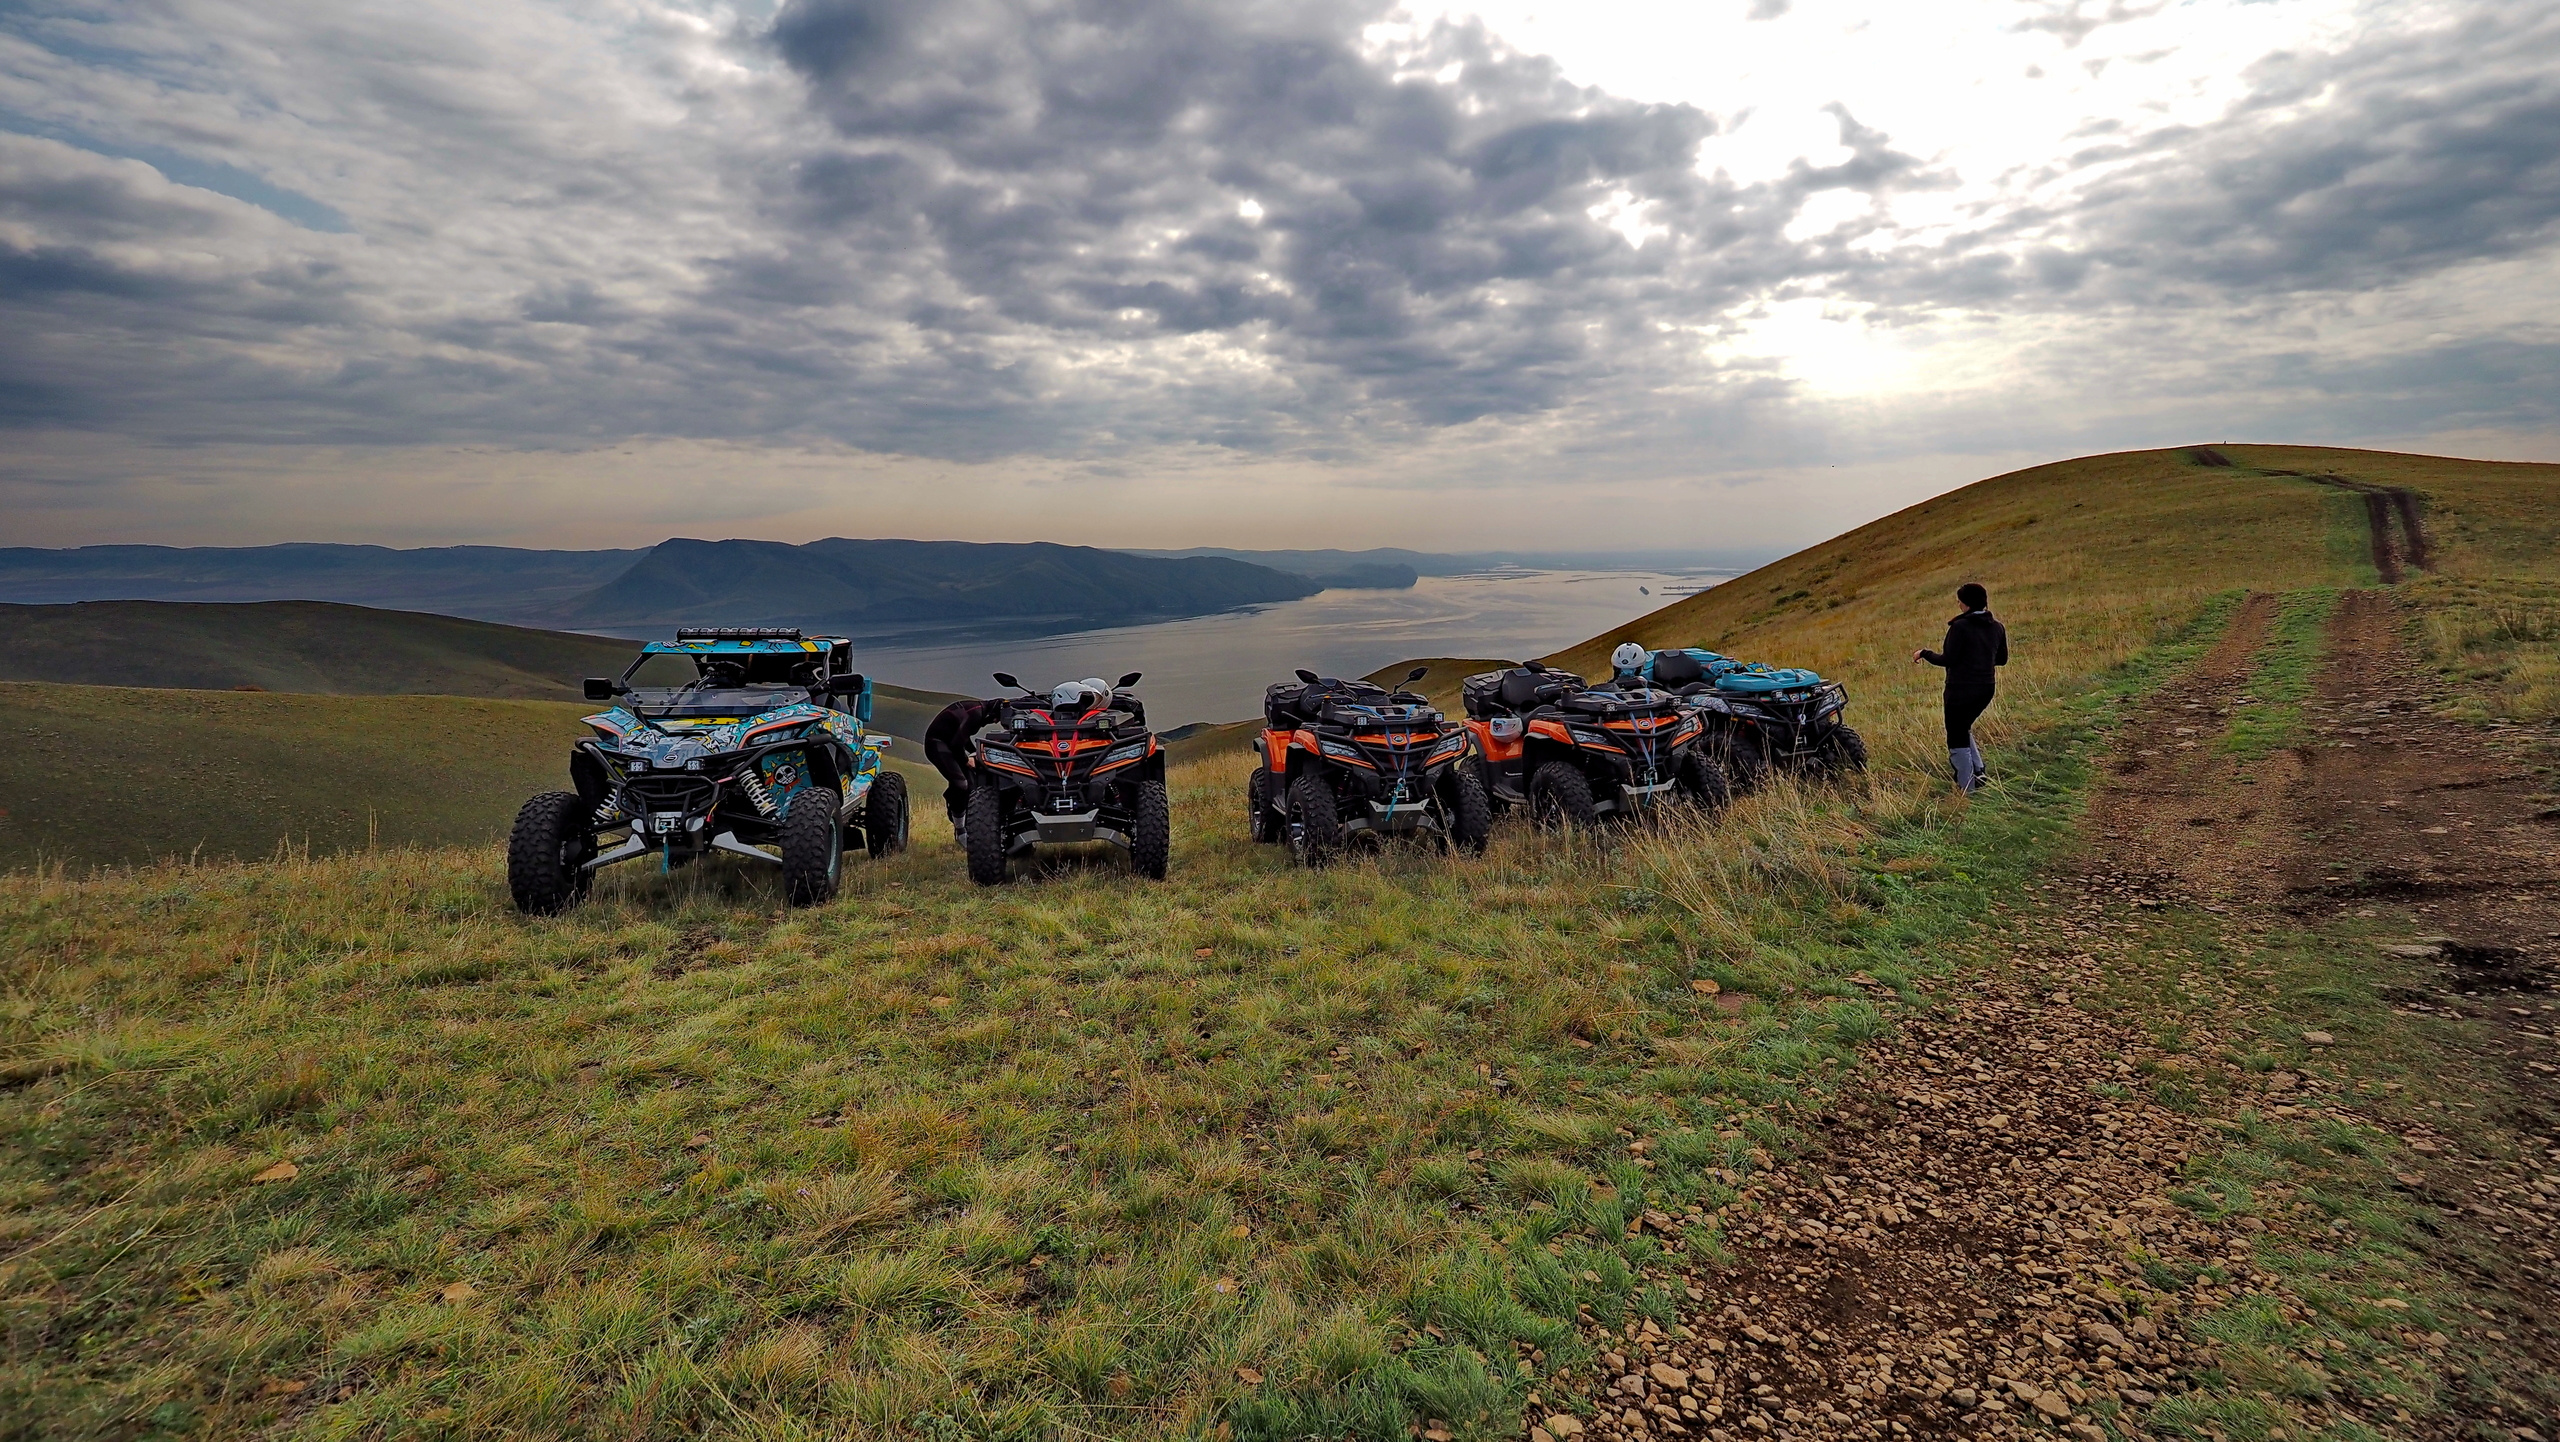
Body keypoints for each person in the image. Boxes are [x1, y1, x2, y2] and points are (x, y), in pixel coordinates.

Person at [1915, 582, 2007, 792]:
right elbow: (2002, 659)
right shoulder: (1997, 626)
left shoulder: (1960, 627)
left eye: (1959, 600)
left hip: (1960, 690)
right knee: (1963, 727)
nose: (1958, 603)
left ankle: (1967, 788)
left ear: (1966, 604)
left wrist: (1924, 653)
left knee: (1956, 736)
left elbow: (1948, 659)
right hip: (1986, 688)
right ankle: (1979, 771)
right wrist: (1981, 660)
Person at [923, 695, 1008, 840]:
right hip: (936, 744)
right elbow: (957, 743)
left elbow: (962, 736)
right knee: (961, 784)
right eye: (996, 719)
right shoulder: (976, 715)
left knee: (971, 783)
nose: (994, 722)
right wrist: (967, 760)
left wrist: (976, 752)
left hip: (946, 743)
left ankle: (957, 808)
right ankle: (960, 830)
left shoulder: (978, 709)